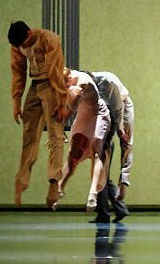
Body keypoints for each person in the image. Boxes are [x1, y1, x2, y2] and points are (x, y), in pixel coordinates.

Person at [8, 21, 71, 209]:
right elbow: (18, 72)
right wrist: (16, 101)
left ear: (29, 33)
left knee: (55, 133)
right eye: (21, 46)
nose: (24, 47)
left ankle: (53, 182)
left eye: (25, 43)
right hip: (35, 85)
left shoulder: (49, 39)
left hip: (52, 85)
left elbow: (55, 71)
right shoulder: (18, 45)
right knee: (29, 135)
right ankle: (21, 181)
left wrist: (61, 101)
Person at [57, 70, 110, 213]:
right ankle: (60, 187)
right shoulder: (68, 80)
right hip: (84, 112)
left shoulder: (82, 84)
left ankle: (93, 193)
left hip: (98, 113)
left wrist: (58, 128)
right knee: (73, 153)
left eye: (65, 84)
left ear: (69, 78)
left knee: (96, 150)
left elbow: (70, 111)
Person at [85, 70, 132, 222]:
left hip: (112, 124)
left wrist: (120, 130)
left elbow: (117, 109)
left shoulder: (107, 83)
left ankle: (105, 212)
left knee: (101, 173)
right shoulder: (88, 92)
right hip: (105, 127)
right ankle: (117, 209)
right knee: (102, 173)